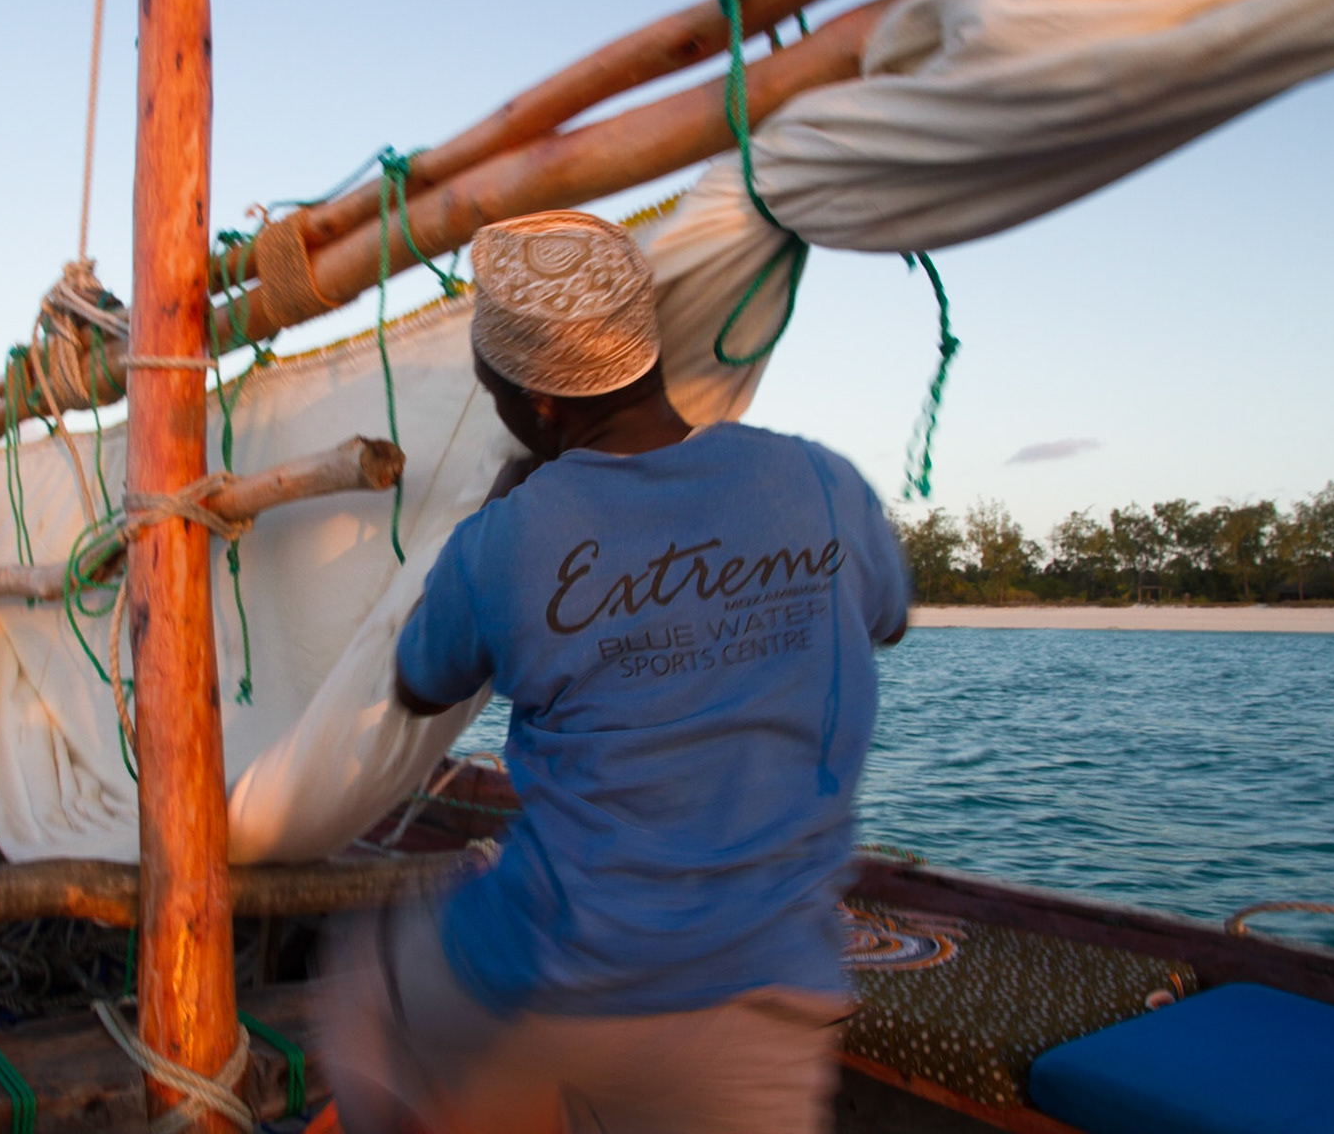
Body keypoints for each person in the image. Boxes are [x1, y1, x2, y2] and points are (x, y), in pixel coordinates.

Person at [324, 210, 910, 1134]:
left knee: (365, 996)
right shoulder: (823, 484)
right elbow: (888, 617)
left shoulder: (506, 537)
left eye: (491, 381)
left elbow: (419, 680)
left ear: (542, 406)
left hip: (557, 970)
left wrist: (511, 509)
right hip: (772, 992)